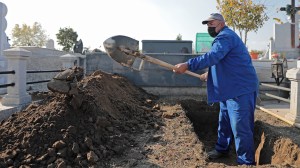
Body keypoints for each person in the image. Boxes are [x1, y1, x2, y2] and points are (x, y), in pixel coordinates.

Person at [173, 13, 258, 165]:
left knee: (241, 127)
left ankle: (246, 162)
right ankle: (222, 149)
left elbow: (213, 56)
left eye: (211, 23)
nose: (209, 27)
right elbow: (223, 61)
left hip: (240, 89)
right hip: (228, 89)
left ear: (221, 23)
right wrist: (210, 73)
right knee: (224, 121)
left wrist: (188, 64)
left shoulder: (225, 36)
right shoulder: (224, 38)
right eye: (207, 24)